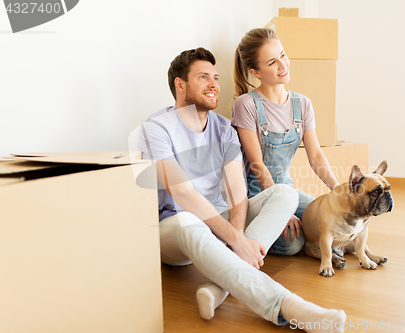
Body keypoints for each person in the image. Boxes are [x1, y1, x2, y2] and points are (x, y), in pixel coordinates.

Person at [137, 47, 346, 332]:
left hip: (216, 218)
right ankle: (289, 306)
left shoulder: (224, 128)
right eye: (203, 77)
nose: (214, 85)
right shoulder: (156, 129)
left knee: (285, 193)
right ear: (180, 84)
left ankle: (217, 288)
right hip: (174, 228)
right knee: (188, 220)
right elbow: (183, 194)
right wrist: (237, 239)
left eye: (216, 77)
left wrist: (237, 237)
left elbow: (237, 192)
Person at [232, 28, 340, 257]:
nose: (283, 64)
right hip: (258, 196)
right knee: (293, 245)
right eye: (272, 62)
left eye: (283, 54)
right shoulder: (246, 105)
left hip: (288, 190)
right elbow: (257, 164)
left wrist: (337, 189)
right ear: (256, 71)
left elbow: (316, 155)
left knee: (328, 219)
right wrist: (280, 210)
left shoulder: (303, 103)